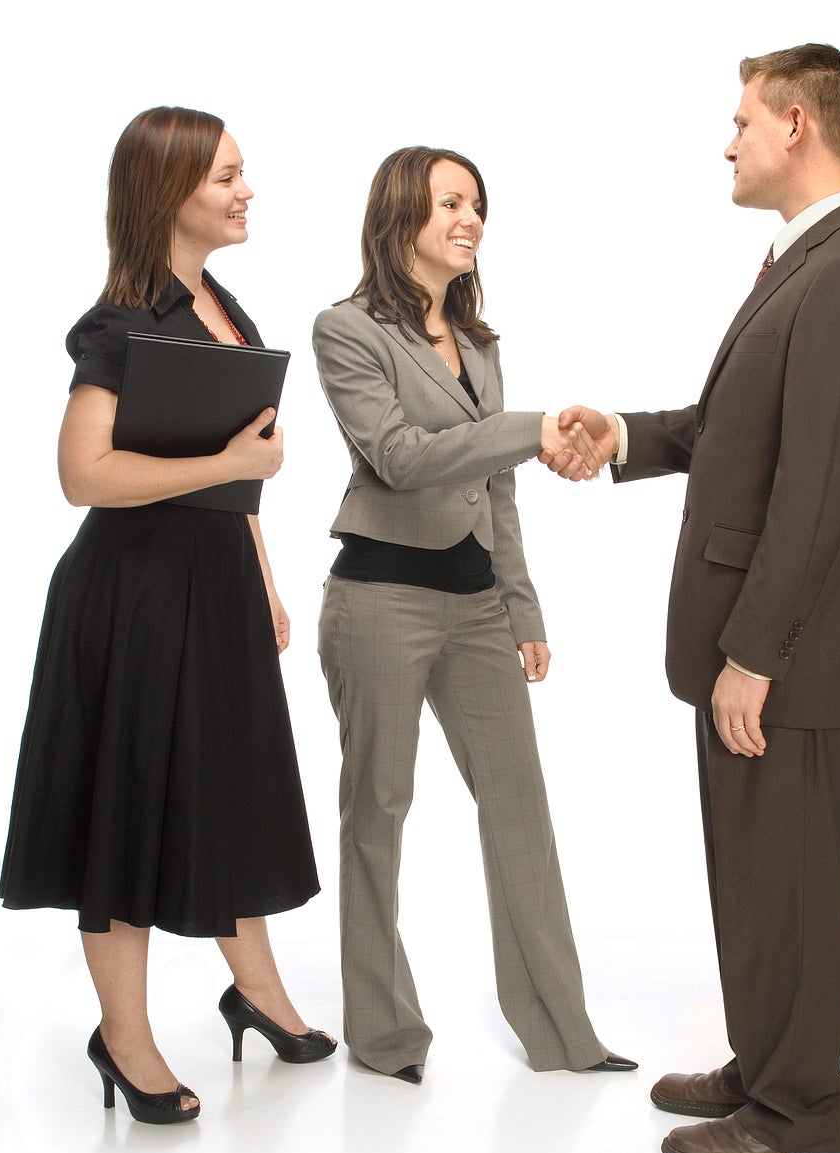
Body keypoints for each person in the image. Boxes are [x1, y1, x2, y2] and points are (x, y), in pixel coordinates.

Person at [551, 44, 840, 1153]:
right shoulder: (802, 264)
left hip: (792, 660)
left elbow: (817, 493)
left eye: (743, 121)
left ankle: (800, 1110)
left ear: (799, 124)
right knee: (757, 871)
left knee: (794, 880)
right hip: (759, 648)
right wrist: (623, 435)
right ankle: (768, 1064)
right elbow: (734, 434)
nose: (729, 141)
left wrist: (754, 653)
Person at [0, 107, 334, 1125]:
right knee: (128, 811)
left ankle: (258, 991)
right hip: (133, 597)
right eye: (227, 176)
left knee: (229, 791)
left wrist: (263, 572)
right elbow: (81, 473)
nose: (245, 191)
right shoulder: (121, 320)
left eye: (244, 174)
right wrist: (231, 468)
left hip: (215, 583)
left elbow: (233, 479)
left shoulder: (221, 301)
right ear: (170, 191)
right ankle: (125, 1038)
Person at [312, 146, 633, 1086]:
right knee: (378, 810)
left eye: (478, 204)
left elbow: (496, 488)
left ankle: (563, 1036)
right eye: (451, 201)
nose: (471, 218)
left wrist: (522, 605)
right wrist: (532, 429)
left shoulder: (483, 345)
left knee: (520, 809)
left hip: (477, 604)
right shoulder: (347, 331)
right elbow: (402, 456)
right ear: (401, 214)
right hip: (380, 598)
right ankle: (384, 1036)